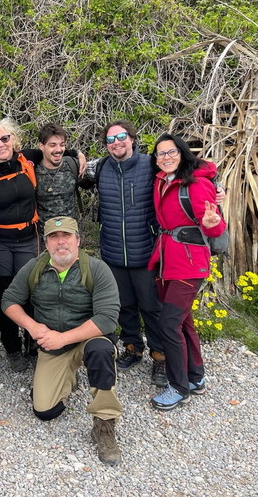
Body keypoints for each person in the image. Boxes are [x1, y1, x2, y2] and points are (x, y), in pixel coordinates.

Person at [2, 216, 122, 466]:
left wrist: (62, 338)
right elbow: (8, 301)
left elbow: (107, 318)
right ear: (45, 243)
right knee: (45, 411)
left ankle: (104, 425)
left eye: (66, 236)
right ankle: (68, 377)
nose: (61, 242)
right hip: (53, 346)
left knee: (100, 351)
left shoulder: (97, 269)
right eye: (54, 237)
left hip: (88, 340)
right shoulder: (35, 267)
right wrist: (33, 327)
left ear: (78, 240)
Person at [0, 118, 84, 372]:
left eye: (5, 139)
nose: (1, 144)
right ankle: (12, 347)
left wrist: (77, 154)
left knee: (33, 293)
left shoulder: (28, 158)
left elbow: (56, 148)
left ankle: (33, 343)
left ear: (13, 139)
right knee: (6, 295)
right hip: (0, 243)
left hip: (28, 239)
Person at [80, 120, 168, 387]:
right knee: (124, 305)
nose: (116, 143)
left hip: (146, 250)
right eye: (110, 139)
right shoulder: (101, 167)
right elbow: (70, 168)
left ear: (132, 138)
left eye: (121, 137)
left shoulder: (152, 164)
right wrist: (76, 155)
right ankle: (133, 348)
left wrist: (216, 187)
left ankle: (160, 356)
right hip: (113, 251)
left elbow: (189, 170)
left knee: (152, 307)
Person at [148, 133, 225, 410]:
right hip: (169, 260)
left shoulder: (196, 184)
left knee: (169, 323)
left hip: (190, 263)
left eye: (171, 152)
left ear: (181, 154)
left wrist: (213, 221)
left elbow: (215, 226)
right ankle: (195, 377)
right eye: (161, 154)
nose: (165, 158)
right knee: (183, 320)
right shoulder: (162, 180)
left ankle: (179, 387)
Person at [35, 123, 80, 245]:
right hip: (43, 239)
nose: (58, 150)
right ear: (41, 146)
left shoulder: (73, 165)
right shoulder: (33, 171)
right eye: (52, 145)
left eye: (62, 145)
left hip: (70, 235)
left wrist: (79, 154)